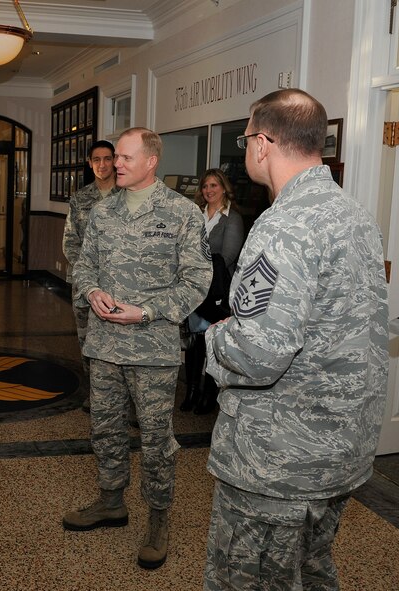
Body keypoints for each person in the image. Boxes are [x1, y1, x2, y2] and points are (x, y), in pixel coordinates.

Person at [203, 89, 388, 590]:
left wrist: (216, 339)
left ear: (262, 143)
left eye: (245, 138)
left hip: (277, 460)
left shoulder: (284, 225)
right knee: (311, 570)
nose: (246, 148)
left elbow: (258, 354)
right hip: (339, 446)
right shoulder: (354, 214)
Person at [65, 127, 211, 570]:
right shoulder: (102, 211)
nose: (116, 164)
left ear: (151, 161)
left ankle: (158, 518)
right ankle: (111, 501)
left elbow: (196, 282)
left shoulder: (182, 213)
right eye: (116, 157)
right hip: (104, 344)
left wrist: (146, 312)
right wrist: (91, 291)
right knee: (105, 429)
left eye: (126, 158)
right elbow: (84, 264)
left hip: (152, 349)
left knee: (155, 439)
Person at [180, 168, 244, 415]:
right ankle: (191, 391)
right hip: (192, 288)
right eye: (205, 186)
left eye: (214, 185)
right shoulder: (195, 214)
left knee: (212, 342)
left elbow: (227, 257)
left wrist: (197, 266)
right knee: (195, 342)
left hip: (216, 292)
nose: (208, 190)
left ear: (224, 188)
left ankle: (208, 394)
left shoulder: (232, 219)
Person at [62, 140, 117, 410]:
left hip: (121, 285)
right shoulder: (80, 198)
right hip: (85, 287)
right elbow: (70, 242)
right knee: (87, 340)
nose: (102, 164)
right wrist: (89, 275)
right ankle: (95, 394)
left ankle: (122, 399)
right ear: (90, 163)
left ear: (115, 161)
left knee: (119, 342)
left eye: (107, 159)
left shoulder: (127, 195)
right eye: (97, 159)